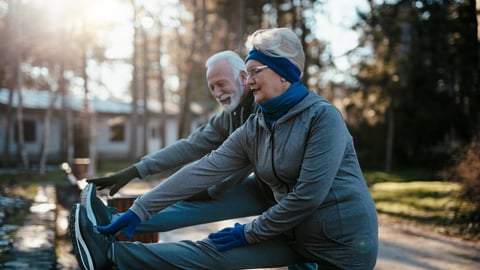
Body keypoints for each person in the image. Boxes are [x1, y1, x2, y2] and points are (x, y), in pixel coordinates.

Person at [70, 28, 378, 269]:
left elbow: (307, 196)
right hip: (296, 232)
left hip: (342, 245)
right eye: (247, 72)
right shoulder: (255, 126)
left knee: (228, 239)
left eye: (256, 71)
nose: (250, 80)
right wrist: (138, 210)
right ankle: (110, 253)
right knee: (212, 250)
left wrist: (248, 232)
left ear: (284, 73)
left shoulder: (322, 118)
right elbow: (203, 167)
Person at [82, 49, 316, 269]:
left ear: (244, 77)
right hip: (265, 188)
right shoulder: (229, 115)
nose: (217, 93)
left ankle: (112, 238)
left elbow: (234, 165)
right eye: (212, 87)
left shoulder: (264, 110)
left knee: (301, 256)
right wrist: (136, 170)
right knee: (191, 204)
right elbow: (190, 146)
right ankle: (109, 223)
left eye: (221, 84)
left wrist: (210, 190)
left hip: (293, 199)